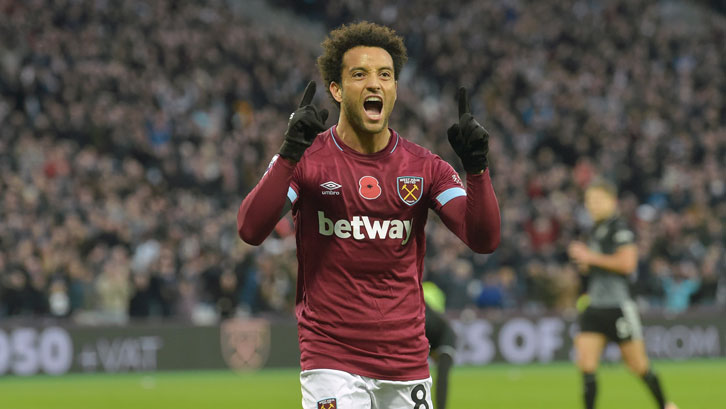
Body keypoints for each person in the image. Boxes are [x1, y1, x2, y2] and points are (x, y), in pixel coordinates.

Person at [237, 21, 500, 409]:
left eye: (385, 75)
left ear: (394, 90)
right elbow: (251, 228)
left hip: (407, 359)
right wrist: (289, 152)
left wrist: (477, 169)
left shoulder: (426, 167)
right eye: (359, 74)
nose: (375, 83)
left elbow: (484, 239)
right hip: (331, 358)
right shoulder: (307, 160)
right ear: (337, 90)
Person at [567, 179, 676, 409]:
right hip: (594, 305)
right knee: (586, 364)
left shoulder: (621, 228)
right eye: (589, 201)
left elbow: (628, 264)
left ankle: (666, 405)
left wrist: (589, 257)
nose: (592, 206)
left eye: (597, 200)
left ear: (612, 201)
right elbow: (596, 265)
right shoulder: (596, 229)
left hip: (617, 306)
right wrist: (584, 262)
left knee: (637, 365)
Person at [423, 281, 456, 409]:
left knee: (442, 376)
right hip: (437, 335)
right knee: (442, 375)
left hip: (439, 336)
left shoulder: (421, 304)